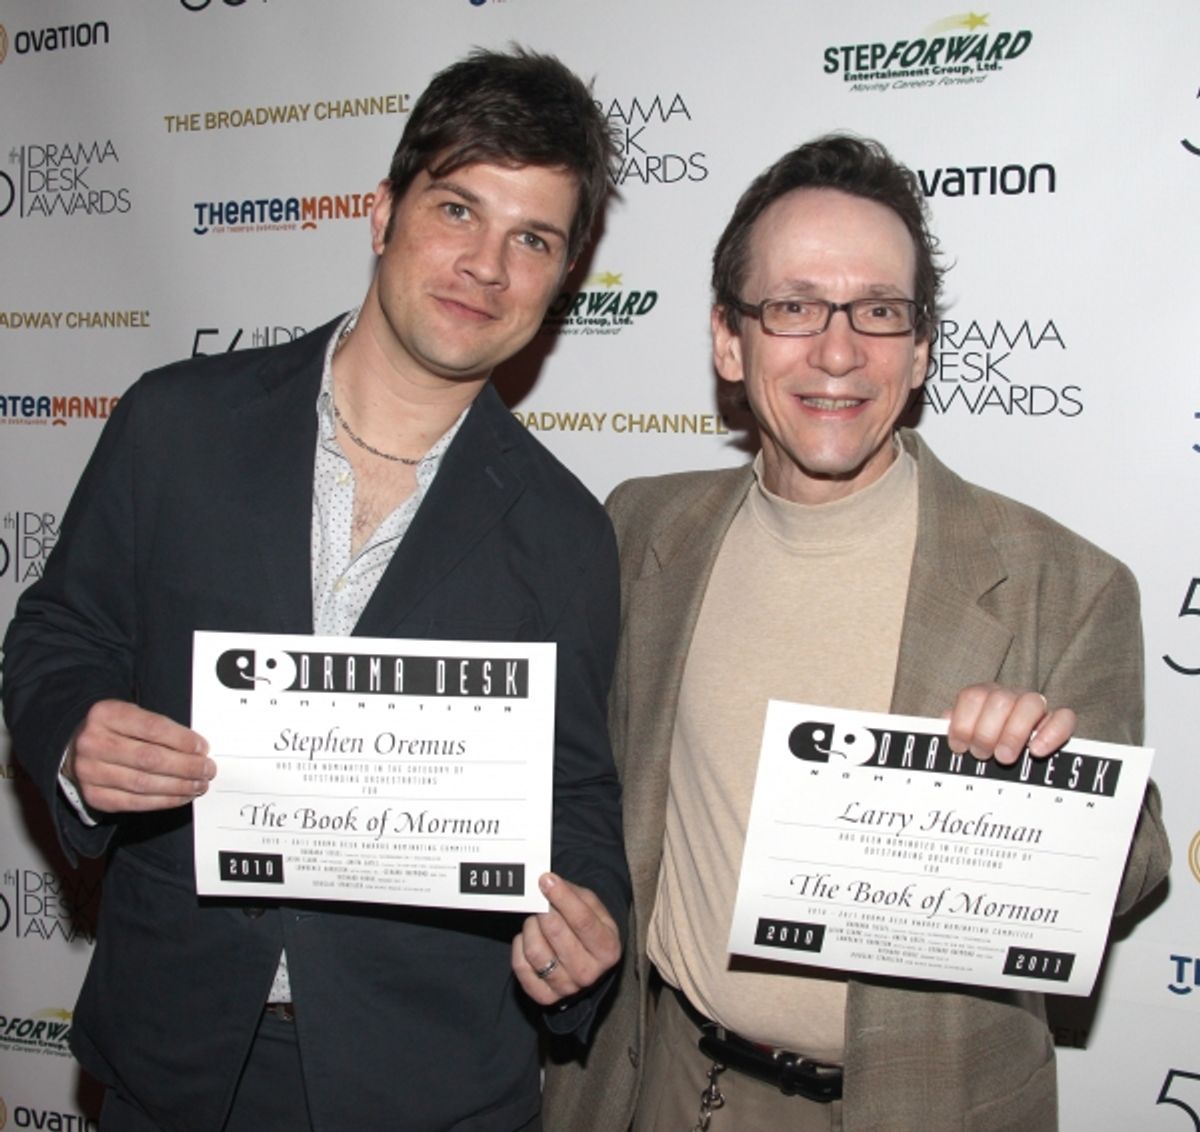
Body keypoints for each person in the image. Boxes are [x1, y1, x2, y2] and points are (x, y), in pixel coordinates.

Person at [2, 47, 629, 1132]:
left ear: (563, 279)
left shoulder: (568, 533)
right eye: (457, 209)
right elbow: (60, 629)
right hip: (175, 1056)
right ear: (382, 212)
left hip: (426, 1082)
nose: (485, 265)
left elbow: (572, 791)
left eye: (532, 239)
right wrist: (74, 737)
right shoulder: (177, 423)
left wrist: (588, 925)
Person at [541, 135, 1170, 1132]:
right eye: (793, 307)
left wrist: (1041, 786)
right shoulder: (642, 530)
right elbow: (577, 774)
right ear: (729, 340)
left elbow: (1133, 865)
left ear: (920, 350)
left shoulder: (1065, 582)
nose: (839, 353)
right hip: (664, 1084)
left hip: (925, 1106)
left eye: (879, 311)